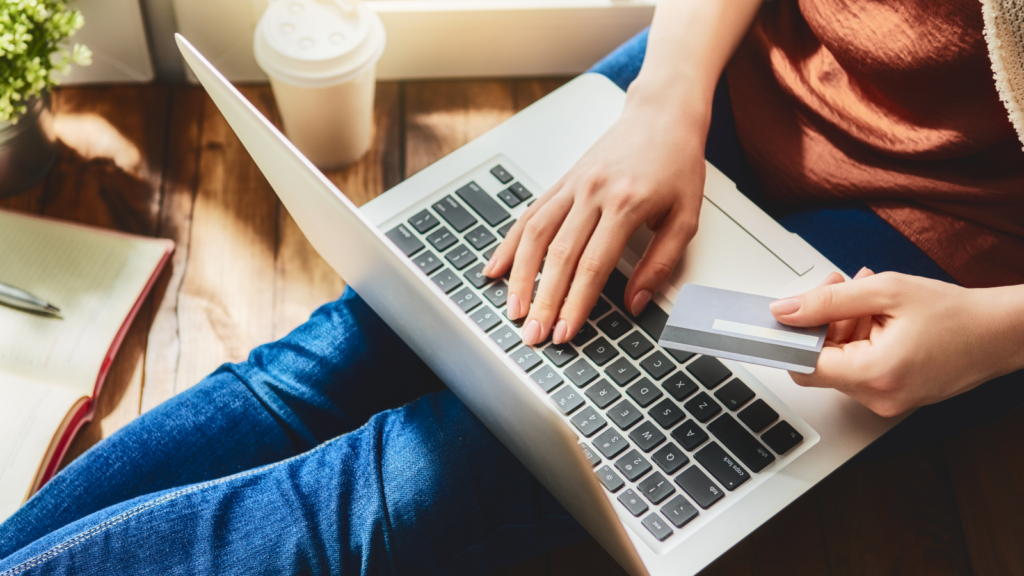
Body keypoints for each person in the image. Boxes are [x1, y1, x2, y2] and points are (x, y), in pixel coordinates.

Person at [2, 0, 1022, 574]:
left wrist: (990, 333)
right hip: (726, 75)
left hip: (958, 245)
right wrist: (666, 96)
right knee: (347, 348)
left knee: (419, 474)